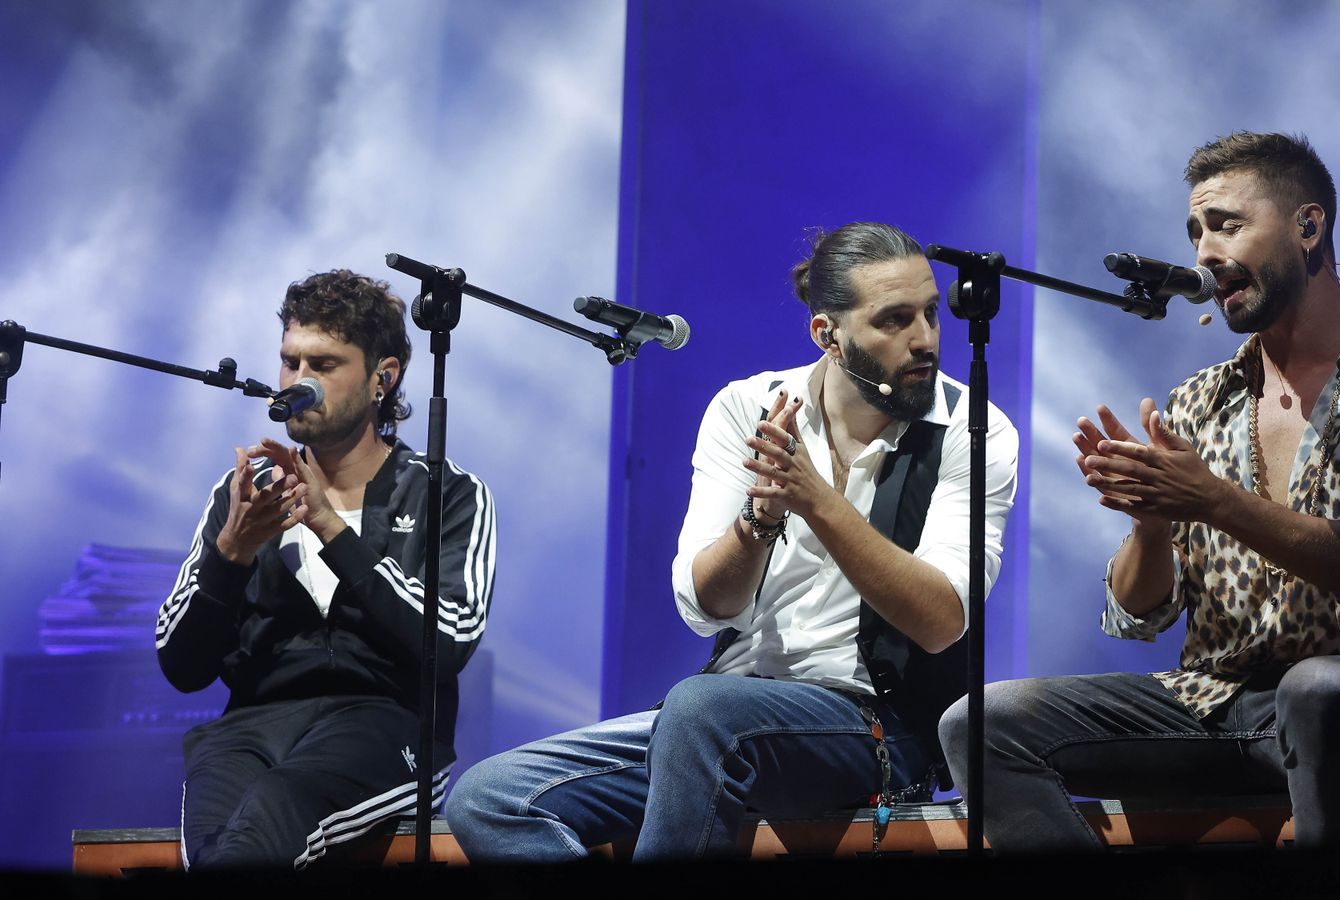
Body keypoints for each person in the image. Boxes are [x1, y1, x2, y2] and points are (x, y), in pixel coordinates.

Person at [943, 132, 1340, 850]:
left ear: (1308, 226)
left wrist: (1210, 499)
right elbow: (1138, 616)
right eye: (1195, 231)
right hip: (1220, 704)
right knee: (980, 723)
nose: (1202, 253)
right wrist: (1153, 525)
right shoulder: (1199, 402)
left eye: (1226, 224)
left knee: (1317, 689)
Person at [446, 222, 1018, 862]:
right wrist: (759, 520)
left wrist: (817, 500)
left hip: (873, 726)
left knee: (702, 710)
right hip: (725, 715)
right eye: (894, 320)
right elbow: (705, 607)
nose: (925, 340)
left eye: (931, 314)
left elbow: (942, 621)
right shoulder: (747, 407)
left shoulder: (973, 429)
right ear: (826, 334)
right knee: (490, 797)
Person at [155, 269, 496, 868]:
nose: (298, 381)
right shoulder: (240, 495)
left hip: (385, 724)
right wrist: (231, 553)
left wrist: (333, 530)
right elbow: (182, 667)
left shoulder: (447, 493)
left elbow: (451, 640)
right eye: (290, 362)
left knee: (271, 813)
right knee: (216, 848)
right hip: (249, 728)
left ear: (382, 379)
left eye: (324, 364)